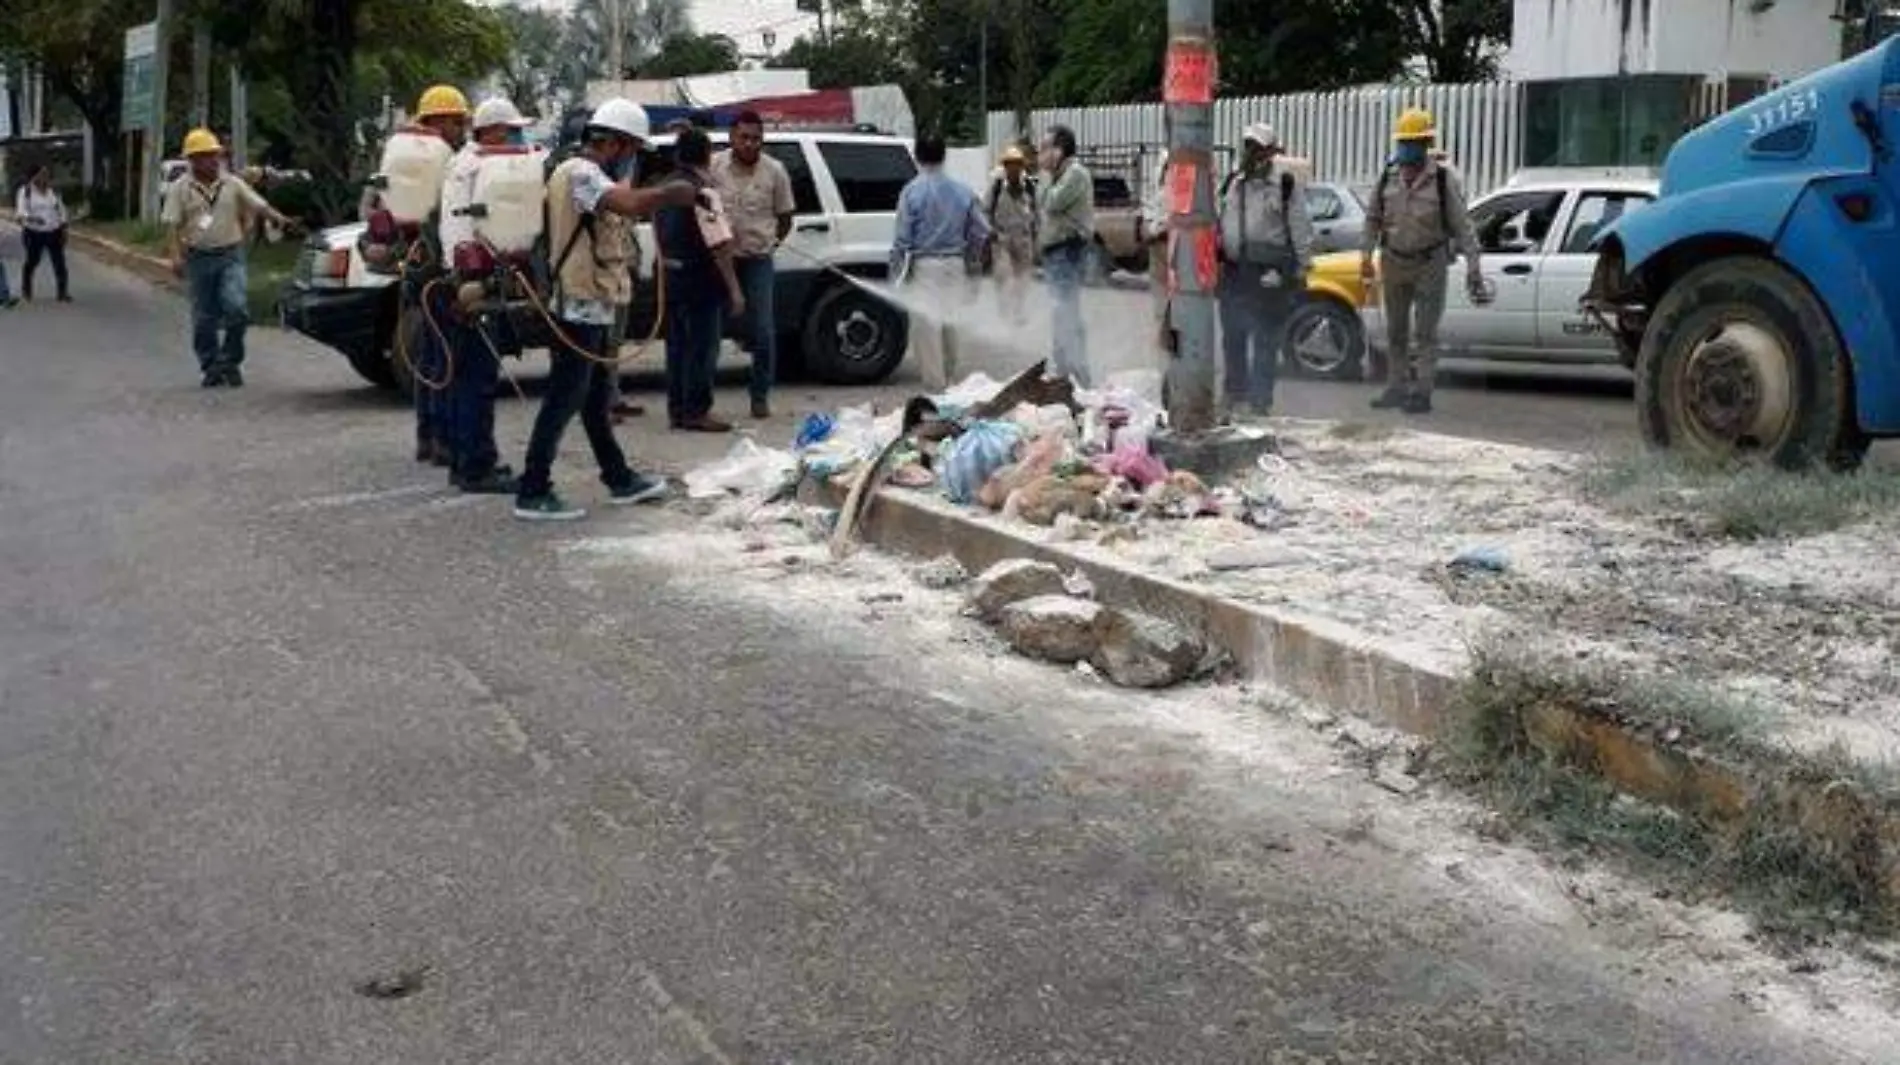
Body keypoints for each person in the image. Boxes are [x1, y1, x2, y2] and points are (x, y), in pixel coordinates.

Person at [514, 98, 699, 521]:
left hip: (592, 302)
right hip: (576, 304)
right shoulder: (579, 173)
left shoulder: (590, 172)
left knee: (594, 399)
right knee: (565, 397)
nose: (633, 158)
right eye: (632, 149)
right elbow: (630, 205)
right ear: (614, 144)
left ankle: (618, 478)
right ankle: (533, 488)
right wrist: (671, 192)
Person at [434, 96, 533, 495]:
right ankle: (477, 466)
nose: (515, 136)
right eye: (510, 130)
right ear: (491, 131)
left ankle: (467, 459)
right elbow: (477, 227)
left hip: (458, 277)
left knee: (464, 377)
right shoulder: (481, 166)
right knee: (478, 378)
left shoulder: (462, 162)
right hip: (471, 280)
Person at [1361, 107, 1483, 415]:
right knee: (1395, 330)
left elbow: (1462, 224)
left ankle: (1422, 391)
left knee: (1426, 332)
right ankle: (1396, 386)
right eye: (1404, 142)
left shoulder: (1442, 180)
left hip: (1430, 262)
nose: (1408, 149)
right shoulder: (1387, 178)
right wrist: (1365, 255)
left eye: (1415, 142)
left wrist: (1473, 264)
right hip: (1393, 260)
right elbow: (1372, 219)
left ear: (1427, 144)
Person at [162, 128, 296, 388]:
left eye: (215, 155)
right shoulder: (181, 188)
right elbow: (172, 225)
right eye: (205, 156)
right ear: (193, 160)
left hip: (230, 254)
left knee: (236, 309)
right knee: (204, 318)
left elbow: (258, 205)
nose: (213, 161)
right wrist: (175, 257)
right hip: (199, 259)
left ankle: (230, 360)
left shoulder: (232, 183)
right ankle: (211, 364)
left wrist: (280, 219)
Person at [1215, 124, 1315, 419]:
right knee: (1232, 336)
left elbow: (1300, 228)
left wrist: (1301, 268)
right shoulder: (1234, 182)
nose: (1251, 153)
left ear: (1271, 152)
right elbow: (1221, 221)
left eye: (1257, 147)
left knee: (1264, 338)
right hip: (1235, 269)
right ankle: (1235, 394)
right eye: (1247, 146)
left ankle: (1260, 403)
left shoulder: (1284, 184)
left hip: (1268, 271)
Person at [656, 126, 746, 432]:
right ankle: (697, 411)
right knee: (702, 349)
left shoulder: (664, 187)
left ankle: (677, 410)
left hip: (671, 278)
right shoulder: (703, 192)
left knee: (677, 349)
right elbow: (719, 244)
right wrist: (734, 290)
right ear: (707, 155)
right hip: (701, 282)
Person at [711, 110, 795, 419]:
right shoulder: (713, 166)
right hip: (720, 261)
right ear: (731, 137)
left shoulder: (776, 171)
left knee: (763, 331)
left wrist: (770, 243)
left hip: (758, 259)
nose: (749, 144)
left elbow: (785, 218)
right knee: (710, 330)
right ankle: (701, 400)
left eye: (756, 138)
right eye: (743, 137)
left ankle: (759, 396)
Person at [890, 133, 989, 392]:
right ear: (944, 156)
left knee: (927, 328)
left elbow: (902, 239)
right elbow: (981, 231)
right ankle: (950, 378)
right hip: (955, 264)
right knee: (950, 323)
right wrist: (972, 261)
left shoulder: (912, 191)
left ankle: (935, 388)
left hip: (925, 266)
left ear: (917, 156)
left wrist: (897, 276)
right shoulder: (963, 190)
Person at [1037, 124, 1094, 385]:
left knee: (1065, 313)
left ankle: (1076, 376)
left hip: (1067, 250)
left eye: (1047, 148)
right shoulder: (1059, 175)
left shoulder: (1075, 174)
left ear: (1059, 151)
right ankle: (1065, 372)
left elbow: (1051, 202)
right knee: (1060, 314)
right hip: (1056, 252)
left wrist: (1045, 176)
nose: (1042, 153)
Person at [984, 144, 1038, 325]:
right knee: (1003, 275)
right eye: (1009, 164)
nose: (1013, 168)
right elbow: (985, 210)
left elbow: (1038, 212)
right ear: (1005, 166)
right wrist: (989, 231)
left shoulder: (1029, 186)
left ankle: (1019, 311)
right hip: (1002, 238)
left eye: (1016, 164)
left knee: (1023, 278)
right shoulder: (997, 186)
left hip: (1024, 238)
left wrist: (1037, 235)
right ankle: (1004, 313)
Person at [15, 167, 71, 303]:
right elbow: (21, 212)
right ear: (34, 177)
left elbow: (61, 210)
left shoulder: (53, 192)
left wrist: (64, 226)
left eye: (46, 174)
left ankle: (62, 293)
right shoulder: (25, 192)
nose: (45, 177)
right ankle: (26, 289)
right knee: (32, 261)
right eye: (41, 174)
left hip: (54, 231)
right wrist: (32, 218)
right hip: (34, 233)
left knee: (59, 263)